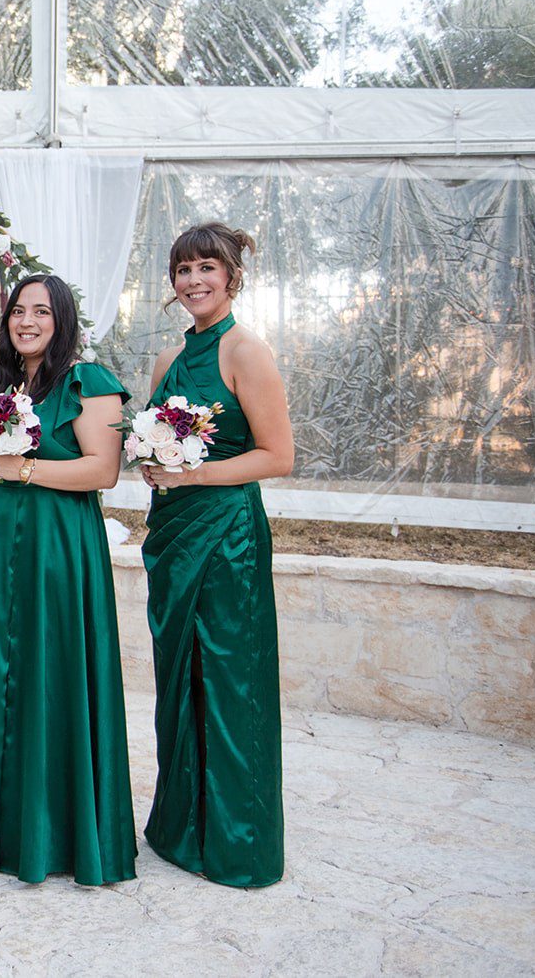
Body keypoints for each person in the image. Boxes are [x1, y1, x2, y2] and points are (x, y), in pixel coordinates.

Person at [0, 273, 136, 885]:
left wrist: (26, 471)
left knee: (54, 678)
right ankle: (4, 831)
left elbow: (103, 470)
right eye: (17, 311)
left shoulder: (89, 383)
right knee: (4, 683)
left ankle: (62, 835)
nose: (27, 321)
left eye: (41, 311)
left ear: (62, 319)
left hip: (58, 555)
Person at [141, 222, 294, 888]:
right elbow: (157, 445)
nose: (195, 279)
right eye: (184, 269)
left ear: (232, 276)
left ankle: (240, 841)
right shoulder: (166, 360)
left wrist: (193, 476)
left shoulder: (246, 351)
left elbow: (279, 455)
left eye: (208, 267)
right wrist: (154, 465)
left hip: (226, 535)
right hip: (174, 534)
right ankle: (184, 827)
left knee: (230, 682)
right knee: (180, 677)